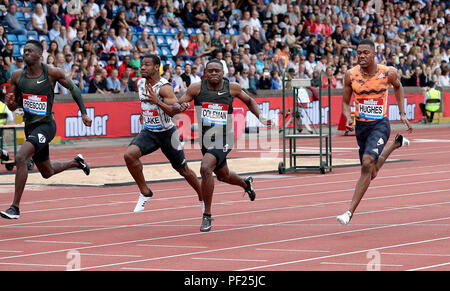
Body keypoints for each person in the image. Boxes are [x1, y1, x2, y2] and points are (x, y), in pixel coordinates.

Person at [145, 59, 271, 232]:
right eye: (210, 71)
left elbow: (249, 101)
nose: (213, 73)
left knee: (205, 168)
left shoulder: (232, 88)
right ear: (205, 72)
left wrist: (261, 117)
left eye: (216, 71)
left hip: (225, 136)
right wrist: (173, 104)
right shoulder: (196, 89)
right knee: (223, 175)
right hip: (206, 140)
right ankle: (245, 184)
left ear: (222, 73)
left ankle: (207, 215)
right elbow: (175, 107)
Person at [0, 40, 92, 220]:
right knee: (46, 172)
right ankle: (76, 162)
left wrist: (83, 113)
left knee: (20, 157)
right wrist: (10, 104)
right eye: (24, 50)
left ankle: (15, 208)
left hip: (46, 126)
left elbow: (74, 89)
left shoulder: (51, 72)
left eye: (30, 51)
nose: (26, 53)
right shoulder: (18, 76)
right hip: (30, 127)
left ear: (39, 54)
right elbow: (14, 105)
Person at [337, 39, 413, 225]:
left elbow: (398, 87)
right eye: (359, 53)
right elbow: (346, 103)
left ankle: (348, 212)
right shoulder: (350, 75)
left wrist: (402, 113)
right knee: (371, 171)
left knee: (367, 163)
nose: (361, 56)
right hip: (361, 127)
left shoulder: (387, 72)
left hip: (380, 125)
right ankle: (396, 144)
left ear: (374, 54)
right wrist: (348, 117)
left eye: (365, 53)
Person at [123, 54, 203, 214]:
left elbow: (174, 111)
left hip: (167, 133)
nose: (142, 68)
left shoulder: (164, 87)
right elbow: (145, 103)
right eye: (141, 65)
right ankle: (145, 192)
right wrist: (145, 112)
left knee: (183, 170)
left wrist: (157, 102)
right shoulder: (140, 83)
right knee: (129, 155)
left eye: (146, 65)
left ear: (156, 67)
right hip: (149, 132)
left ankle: (203, 197)